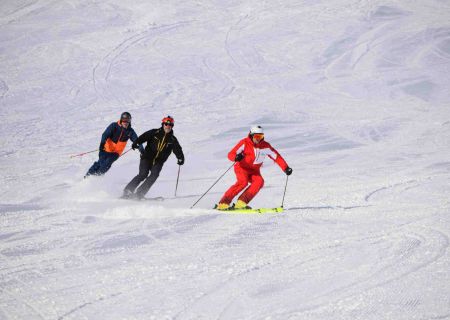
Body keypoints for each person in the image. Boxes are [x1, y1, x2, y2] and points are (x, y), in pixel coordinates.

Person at [216, 125, 292, 210]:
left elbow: (276, 157)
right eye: (257, 136)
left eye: (261, 136)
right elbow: (231, 154)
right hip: (242, 168)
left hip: (254, 171)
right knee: (243, 182)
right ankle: (223, 203)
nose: (259, 139)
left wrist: (286, 168)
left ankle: (241, 203)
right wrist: (236, 157)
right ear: (251, 135)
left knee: (259, 181)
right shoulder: (245, 143)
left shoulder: (265, 146)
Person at [122, 116, 184, 200]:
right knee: (143, 174)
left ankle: (140, 193)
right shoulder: (154, 132)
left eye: (170, 125)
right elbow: (143, 137)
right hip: (147, 157)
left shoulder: (172, 139)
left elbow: (177, 149)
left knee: (154, 175)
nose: (168, 126)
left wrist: (180, 158)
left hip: (159, 161)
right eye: (166, 124)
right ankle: (128, 190)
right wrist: (136, 143)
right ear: (163, 124)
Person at [85, 112, 142, 177]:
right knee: (100, 162)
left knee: (107, 163)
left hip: (116, 153)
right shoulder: (114, 126)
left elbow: (138, 141)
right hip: (106, 149)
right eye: (124, 121)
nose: (125, 123)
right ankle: (87, 176)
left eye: (127, 121)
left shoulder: (130, 131)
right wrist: (102, 145)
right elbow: (105, 135)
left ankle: (96, 177)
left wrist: (142, 150)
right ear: (121, 120)